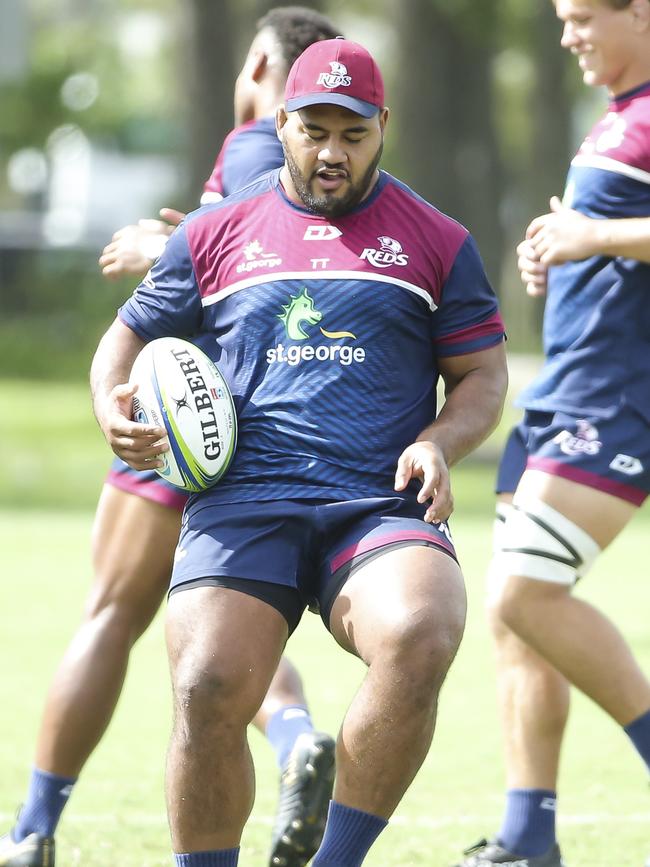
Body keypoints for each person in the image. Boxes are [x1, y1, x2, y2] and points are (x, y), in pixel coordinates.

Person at [89, 36, 507, 867]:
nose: (332, 153)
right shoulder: (215, 233)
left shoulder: (436, 239)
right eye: (314, 130)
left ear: (383, 126)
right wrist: (111, 405)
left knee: (424, 629)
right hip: (245, 500)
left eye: (353, 135)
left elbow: (484, 376)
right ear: (280, 122)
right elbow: (123, 339)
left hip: (377, 500)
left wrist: (439, 439)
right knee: (207, 682)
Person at [0, 10, 344, 867]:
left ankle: (33, 826)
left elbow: (264, 259)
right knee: (228, 633)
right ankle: (297, 732)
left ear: (260, 60)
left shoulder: (259, 144)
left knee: (112, 612)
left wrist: (176, 243)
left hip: (188, 420)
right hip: (263, 429)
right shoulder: (324, 160)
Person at [453, 1, 650, 865]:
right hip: (559, 392)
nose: (566, 34)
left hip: (615, 399)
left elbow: (610, 235)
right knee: (515, 621)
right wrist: (561, 247)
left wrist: (595, 232)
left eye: (580, 16)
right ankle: (528, 834)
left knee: (524, 594)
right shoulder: (615, 120)